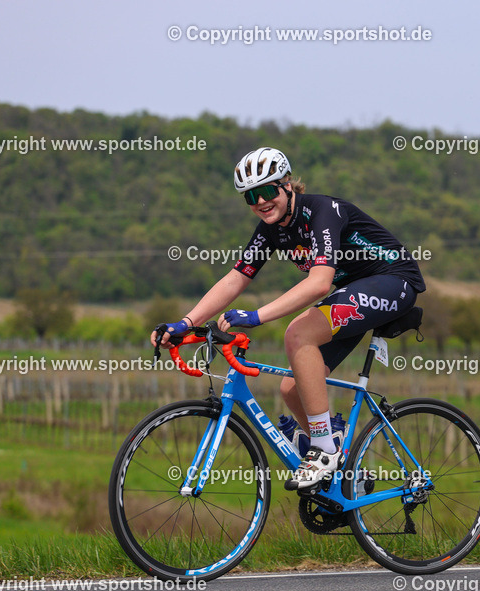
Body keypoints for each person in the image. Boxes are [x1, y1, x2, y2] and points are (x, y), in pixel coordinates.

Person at [153, 147, 425, 490]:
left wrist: (256, 316)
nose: (261, 202)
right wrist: (185, 323)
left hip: (394, 281)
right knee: (293, 388)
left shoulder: (322, 211)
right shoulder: (271, 229)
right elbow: (237, 277)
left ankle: (324, 450)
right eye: (251, 196)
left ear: (287, 185)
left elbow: (319, 283)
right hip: (355, 290)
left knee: (298, 334)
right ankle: (340, 464)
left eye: (267, 191)